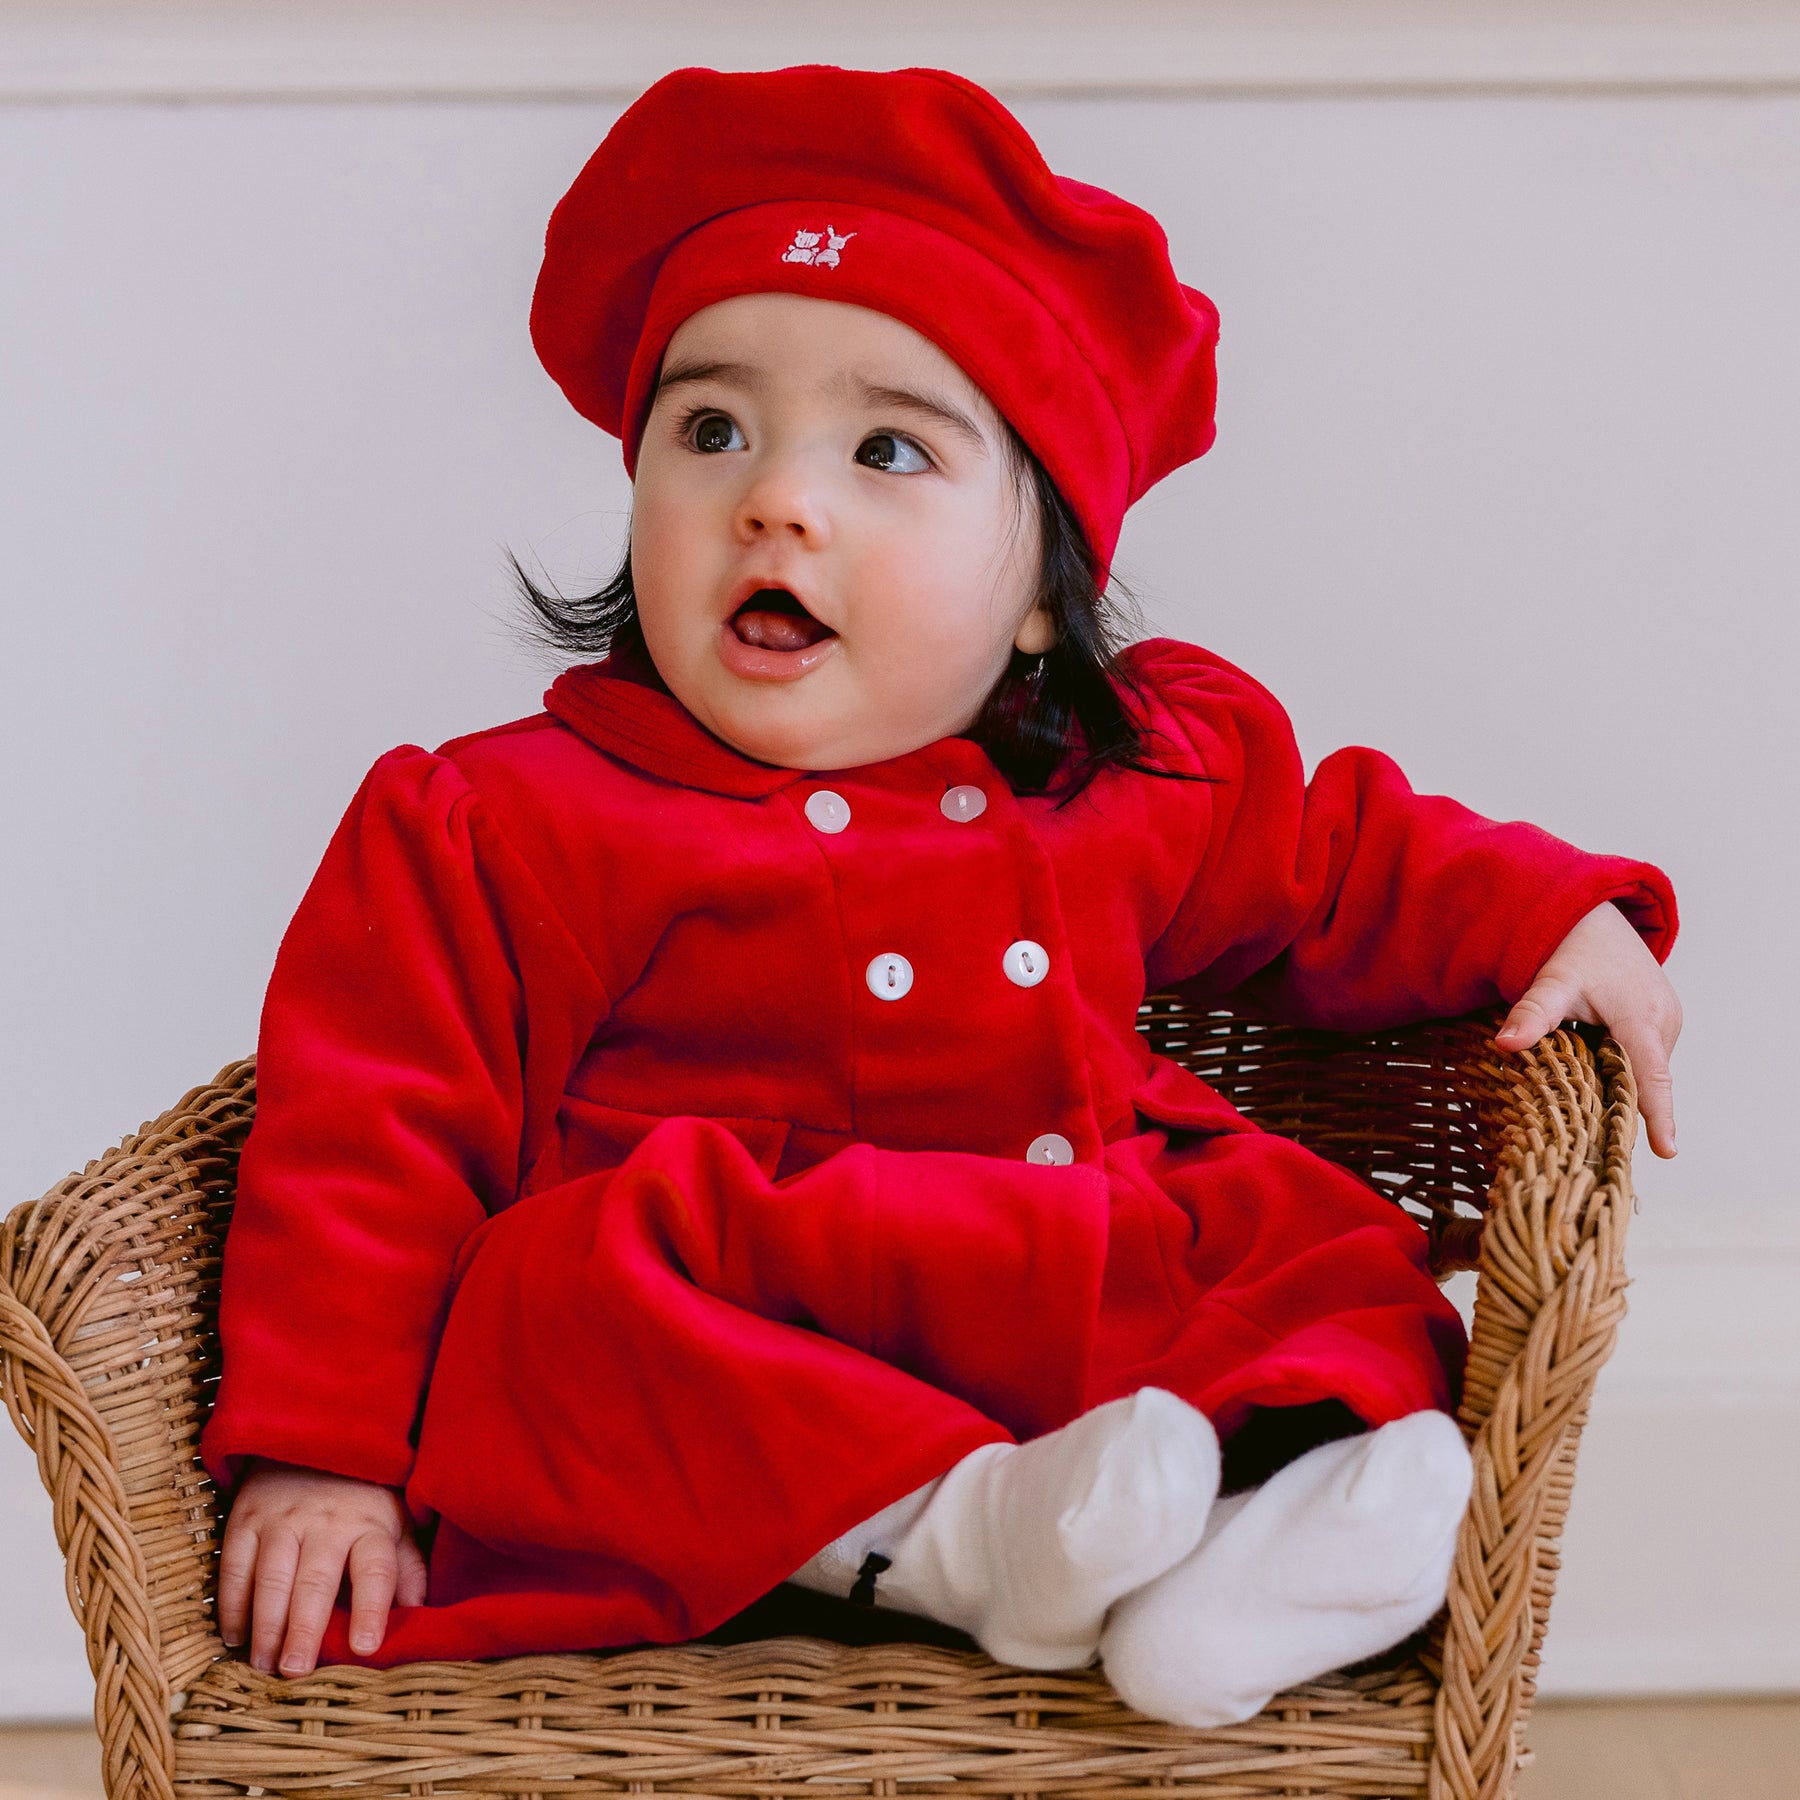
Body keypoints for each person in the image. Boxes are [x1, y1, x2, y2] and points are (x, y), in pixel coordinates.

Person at [199, 65, 1681, 1728]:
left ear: (1042, 597)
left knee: (1320, 1278)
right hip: (748, 1329)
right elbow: (369, 1135)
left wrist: (1555, 915)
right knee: (550, 1303)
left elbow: (1341, 859)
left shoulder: (1124, 775)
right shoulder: (512, 820)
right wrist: (322, 1451)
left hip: (1071, 1280)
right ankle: (969, 1540)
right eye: (710, 429)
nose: (774, 496)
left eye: (888, 448)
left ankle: (1273, 1551)